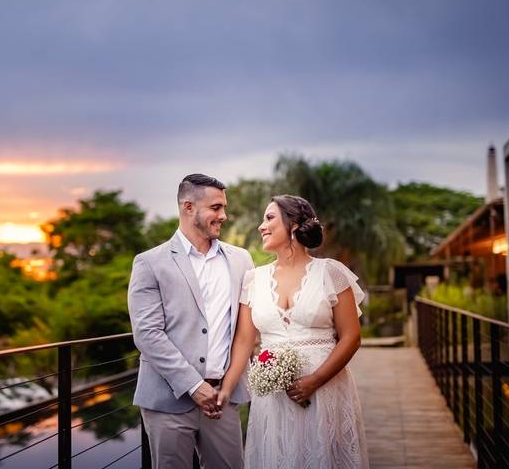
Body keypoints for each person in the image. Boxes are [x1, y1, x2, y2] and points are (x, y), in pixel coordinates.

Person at [217, 195, 369, 468]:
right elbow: (243, 342)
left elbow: (351, 337)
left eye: (269, 218)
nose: (261, 226)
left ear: (295, 224)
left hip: (326, 389)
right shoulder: (253, 279)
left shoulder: (331, 273)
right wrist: (226, 390)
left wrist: (316, 379)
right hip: (272, 396)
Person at [128, 173, 255, 469]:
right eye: (215, 208)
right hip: (167, 402)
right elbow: (147, 334)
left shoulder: (241, 260)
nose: (223, 215)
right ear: (188, 207)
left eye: (223, 207)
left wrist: (225, 388)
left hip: (223, 401)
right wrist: (194, 386)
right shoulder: (150, 262)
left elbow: (245, 330)